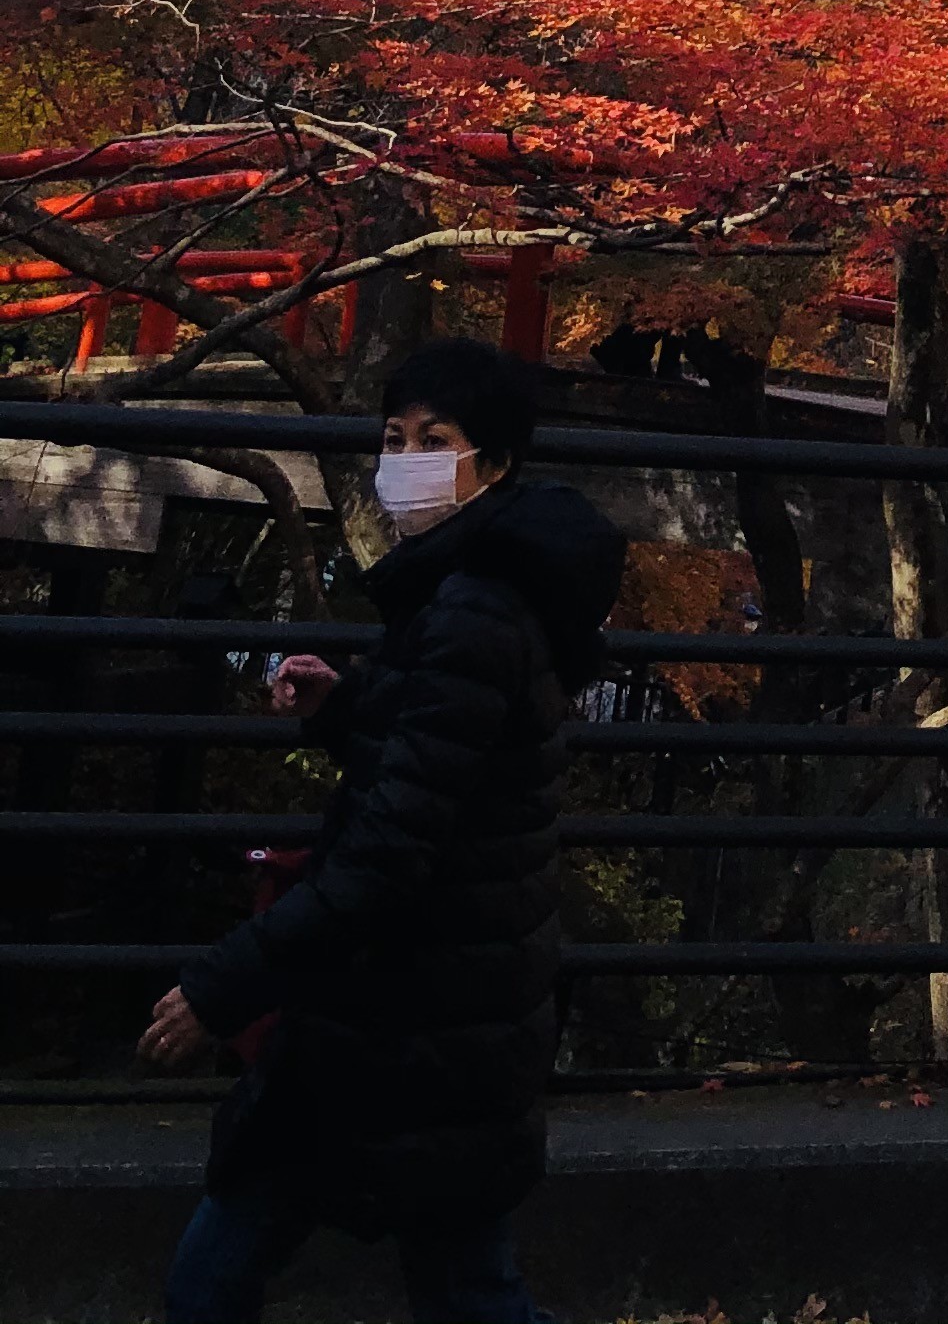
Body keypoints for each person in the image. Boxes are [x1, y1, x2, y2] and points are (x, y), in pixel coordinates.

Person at [139, 337, 626, 1324]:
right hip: (445, 1007)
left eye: (433, 440)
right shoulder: (485, 592)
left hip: (404, 1015)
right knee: (459, 1275)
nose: (402, 460)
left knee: (234, 1255)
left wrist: (223, 985)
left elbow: (391, 853)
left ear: (493, 465)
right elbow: (455, 765)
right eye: (392, 437)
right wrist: (348, 710)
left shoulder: (471, 611)